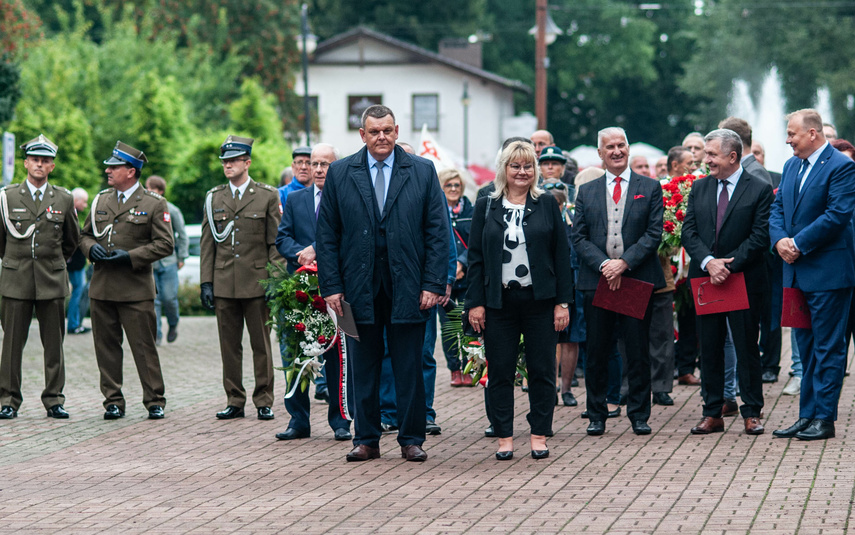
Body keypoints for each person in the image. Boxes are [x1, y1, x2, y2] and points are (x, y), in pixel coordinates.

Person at [316, 105, 448, 463]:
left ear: (396, 130)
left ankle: (411, 438)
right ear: (362, 135)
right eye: (374, 132)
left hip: (409, 287)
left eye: (388, 130)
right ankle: (366, 438)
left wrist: (434, 283)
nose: (382, 138)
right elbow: (327, 235)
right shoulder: (342, 173)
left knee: (409, 366)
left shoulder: (420, 170)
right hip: (356, 289)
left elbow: (438, 231)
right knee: (363, 367)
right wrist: (330, 286)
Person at [466, 141, 572, 460]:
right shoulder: (486, 205)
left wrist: (562, 303)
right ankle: (504, 438)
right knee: (500, 371)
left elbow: (561, 255)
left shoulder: (547, 204)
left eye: (527, 166)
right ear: (504, 169)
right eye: (515, 166)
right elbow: (475, 258)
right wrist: (476, 302)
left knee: (541, 370)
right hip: (499, 302)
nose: (522, 172)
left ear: (535, 171)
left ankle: (539, 434)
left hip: (540, 300)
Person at [572, 127, 665, 437]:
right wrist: (604, 265)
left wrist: (624, 263)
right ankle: (596, 414)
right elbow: (579, 236)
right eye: (609, 146)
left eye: (621, 145)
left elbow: (654, 233)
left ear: (628, 148)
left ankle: (639, 414)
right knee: (597, 351)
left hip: (636, 279)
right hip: (597, 280)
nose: (616, 151)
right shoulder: (587, 191)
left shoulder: (650, 187)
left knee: (638, 351)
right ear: (600, 153)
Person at [770, 109, 855, 441]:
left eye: (792, 134)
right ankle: (807, 415)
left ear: (813, 134)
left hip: (828, 274)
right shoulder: (791, 166)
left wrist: (799, 244)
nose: (788, 139)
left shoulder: (842, 167)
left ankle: (824, 418)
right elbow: (778, 210)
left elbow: (838, 215)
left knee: (829, 348)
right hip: (795, 273)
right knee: (804, 350)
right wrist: (779, 241)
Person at [681, 129, 773, 435]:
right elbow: (689, 232)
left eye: (711, 154)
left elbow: (760, 237)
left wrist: (727, 266)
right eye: (705, 153)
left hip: (743, 279)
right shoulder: (700, 188)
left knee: (747, 345)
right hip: (706, 279)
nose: (705, 159)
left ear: (732, 156)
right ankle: (712, 411)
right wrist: (709, 263)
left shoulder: (759, 188)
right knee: (709, 346)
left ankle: (751, 412)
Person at [79, 141, 173, 420]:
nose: (108, 170)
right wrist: (89, 248)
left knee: (144, 348)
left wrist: (130, 257)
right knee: (106, 349)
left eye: (114, 166)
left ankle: (154, 400)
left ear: (131, 171)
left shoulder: (154, 203)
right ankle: (113, 401)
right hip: (103, 287)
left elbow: (165, 244)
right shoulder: (100, 200)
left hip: (135, 289)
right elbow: (85, 235)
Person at [273, 143, 353, 442]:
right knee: (297, 353)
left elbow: (349, 235)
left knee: (340, 357)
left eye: (325, 164)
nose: (318, 169)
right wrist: (302, 255)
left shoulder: (348, 197)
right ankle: (298, 420)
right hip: (302, 289)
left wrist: (316, 251)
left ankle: (341, 420)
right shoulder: (295, 199)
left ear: (337, 167)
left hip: (338, 289)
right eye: (315, 164)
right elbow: (283, 239)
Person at [200, 135, 283, 421]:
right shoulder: (214, 197)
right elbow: (207, 243)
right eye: (225, 161)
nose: (228, 165)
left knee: (261, 345)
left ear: (247, 163)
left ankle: (264, 399)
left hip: (257, 282)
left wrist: (274, 280)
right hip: (224, 283)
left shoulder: (267, 195)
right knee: (229, 346)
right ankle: (234, 399)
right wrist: (206, 282)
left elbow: (275, 243)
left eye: (234, 160)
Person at [0, 135, 79, 420]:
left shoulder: (64, 198)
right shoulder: (6, 197)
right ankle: (8, 400)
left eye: (45, 161)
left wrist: (53, 262)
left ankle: (54, 399)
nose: (39, 165)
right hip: (16, 280)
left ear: (52, 166)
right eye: (35, 160)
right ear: (26, 163)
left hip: (51, 280)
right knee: (10, 346)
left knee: (54, 345)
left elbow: (71, 241)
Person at [437, 168, 474, 387]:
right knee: (449, 325)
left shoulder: (471, 210)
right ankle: (454, 369)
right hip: (445, 278)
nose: (453, 189)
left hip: (468, 277)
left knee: (470, 322)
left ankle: (471, 365)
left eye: (456, 185)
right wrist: (451, 268)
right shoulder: (437, 211)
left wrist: (461, 263)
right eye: (448, 185)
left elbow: (477, 241)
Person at [145, 175, 188, 345]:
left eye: (151, 189)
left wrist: (182, 256)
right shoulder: (144, 209)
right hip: (151, 262)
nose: (148, 192)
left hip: (169, 261)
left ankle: (173, 324)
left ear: (160, 191)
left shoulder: (173, 210)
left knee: (169, 298)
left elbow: (182, 235)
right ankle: (156, 334)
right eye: (147, 188)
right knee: (154, 300)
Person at [67, 187, 91, 335]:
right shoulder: (70, 214)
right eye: (84, 202)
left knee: (78, 292)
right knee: (78, 292)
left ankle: (74, 323)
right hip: (75, 263)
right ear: (76, 201)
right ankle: (74, 324)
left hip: (76, 262)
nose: (86, 205)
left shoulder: (72, 214)